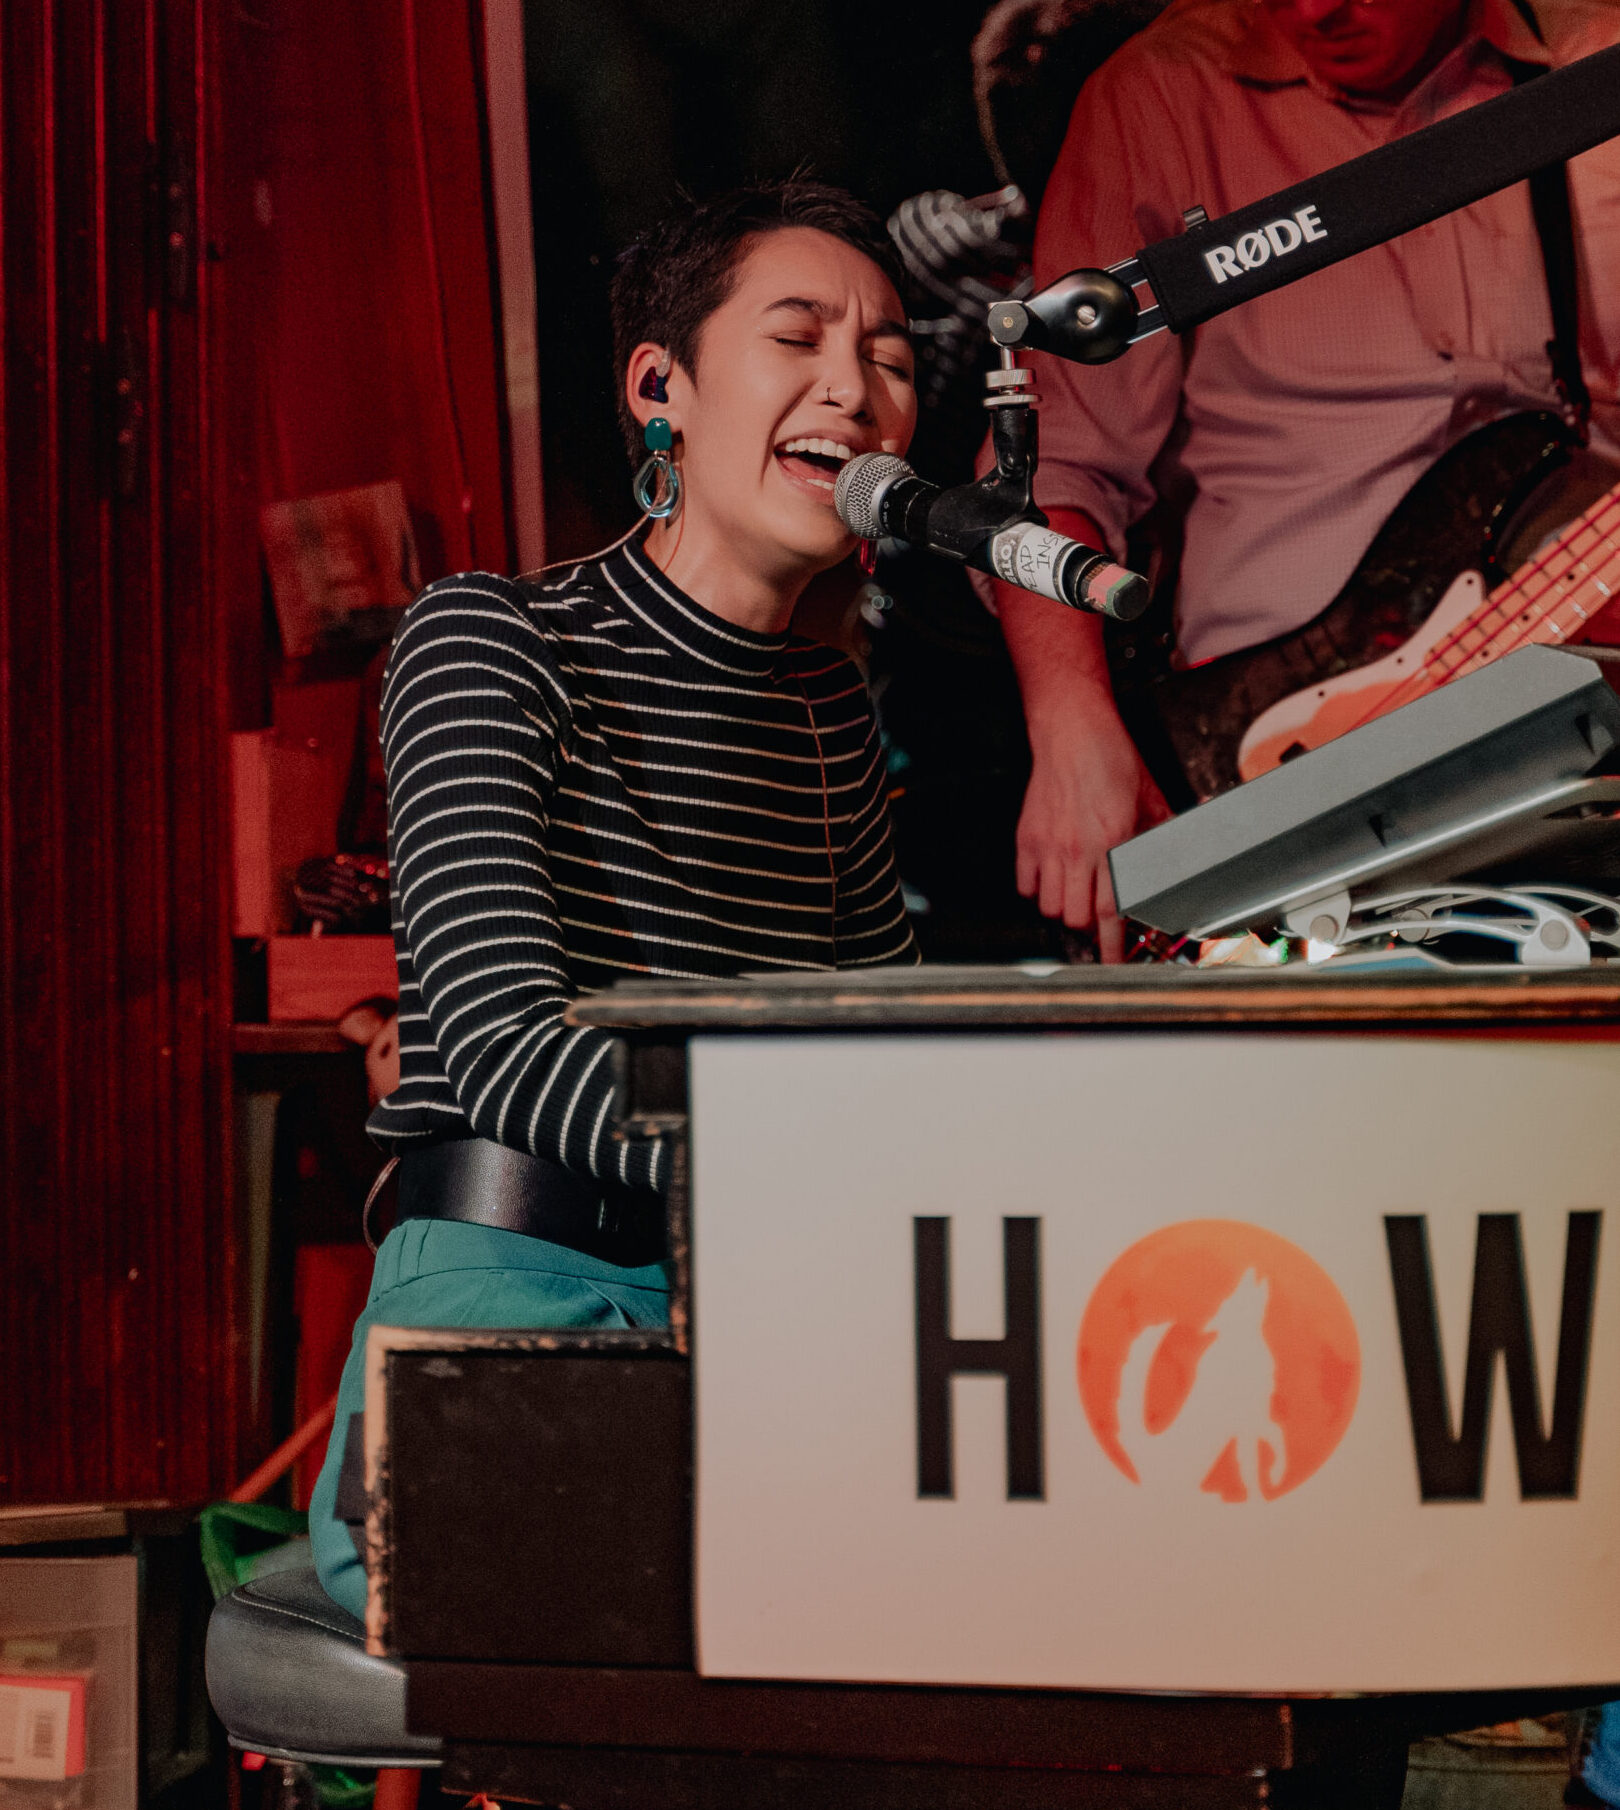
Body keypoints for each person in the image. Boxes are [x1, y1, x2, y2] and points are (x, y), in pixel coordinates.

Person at [308, 180, 921, 1619]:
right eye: (799, 338)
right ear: (662, 389)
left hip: (766, 1314)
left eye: (891, 357)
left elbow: (890, 1051)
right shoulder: (489, 638)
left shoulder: (831, 712)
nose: (856, 388)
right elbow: (504, 1042)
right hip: (518, 1297)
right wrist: (805, 1167)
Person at [991, 0, 1620, 959]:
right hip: (1258, 771)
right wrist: (1071, 724)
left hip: (1583, 737)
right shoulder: (1161, 94)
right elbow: (1055, 467)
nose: (1316, 10)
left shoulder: (1592, 69)